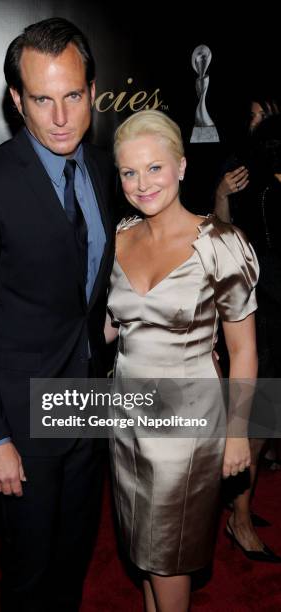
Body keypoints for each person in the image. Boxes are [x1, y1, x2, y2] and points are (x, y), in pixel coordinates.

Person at [0, 17, 114, 612]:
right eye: (42, 99)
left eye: (72, 96)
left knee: (72, 564)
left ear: (93, 91)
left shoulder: (99, 171)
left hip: (88, 408)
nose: (60, 116)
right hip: (20, 422)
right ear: (17, 100)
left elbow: (82, 293)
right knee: (28, 574)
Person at [105, 109, 258, 612]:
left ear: (182, 166)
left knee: (167, 556)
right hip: (124, 421)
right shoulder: (122, 236)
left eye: (154, 167)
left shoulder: (221, 245)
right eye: (129, 171)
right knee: (143, 556)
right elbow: (111, 326)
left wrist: (237, 434)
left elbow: (243, 350)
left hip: (185, 428)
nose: (142, 183)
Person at [214, 98, 281, 561]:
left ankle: (240, 506)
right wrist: (221, 192)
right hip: (264, 318)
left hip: (270, 312)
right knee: (256, 427)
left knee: (261, 426)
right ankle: (238, 519)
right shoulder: (250, 180)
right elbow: (220, 233)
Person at [214, 93, 280, 223]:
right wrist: (221, 195)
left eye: (263, 116)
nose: (254, 123)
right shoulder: (238, 163)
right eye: (252, 116)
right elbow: (225, 233)